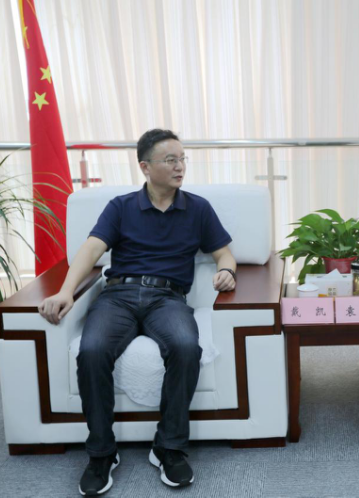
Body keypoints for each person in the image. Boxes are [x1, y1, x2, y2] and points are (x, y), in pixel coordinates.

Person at [38, 129, 237, 496]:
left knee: (185, 347)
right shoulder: (121, 206)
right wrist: (66, 291)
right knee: (92, 350)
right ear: (145, 167)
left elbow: (224, 253)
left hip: (169, 298)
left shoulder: (198, 208)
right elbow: (91, 249)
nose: (179, 167)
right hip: (119, 295)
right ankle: (102, 453)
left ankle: (168, 448)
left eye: (182, 159)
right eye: (170, 160)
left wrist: (227, 270)